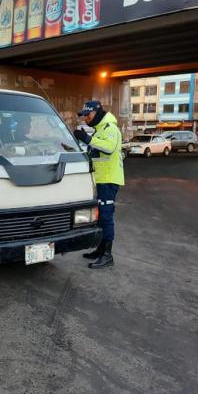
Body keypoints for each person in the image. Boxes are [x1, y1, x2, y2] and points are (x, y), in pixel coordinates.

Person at [75, 100, 125, 269]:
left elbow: (109, 148)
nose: (85, 118)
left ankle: (107, 255)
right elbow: (94, 153)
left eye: (87, 115)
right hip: (100, 180)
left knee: (106, 216)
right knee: (100, 217)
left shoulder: (111, 128)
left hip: (109, 180)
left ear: (96, 112)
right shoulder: (100, 130)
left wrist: (87, 138)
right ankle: (100, 249)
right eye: (84, 116)